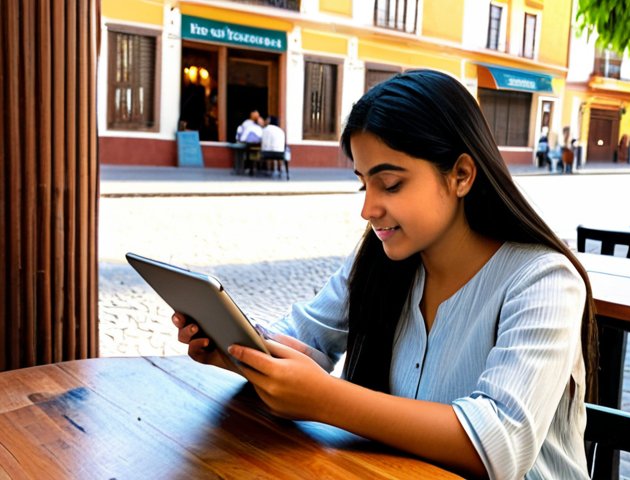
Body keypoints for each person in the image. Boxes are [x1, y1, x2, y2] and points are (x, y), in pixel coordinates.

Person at [172, 70, 598, 480]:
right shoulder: (382, 260)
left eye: (390, 184)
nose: (368, 209)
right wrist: (239, 349)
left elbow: (501, 444)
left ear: (462, 175)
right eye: (363, 184)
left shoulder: (544, 281)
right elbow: (307, 338)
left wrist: (325, 399)